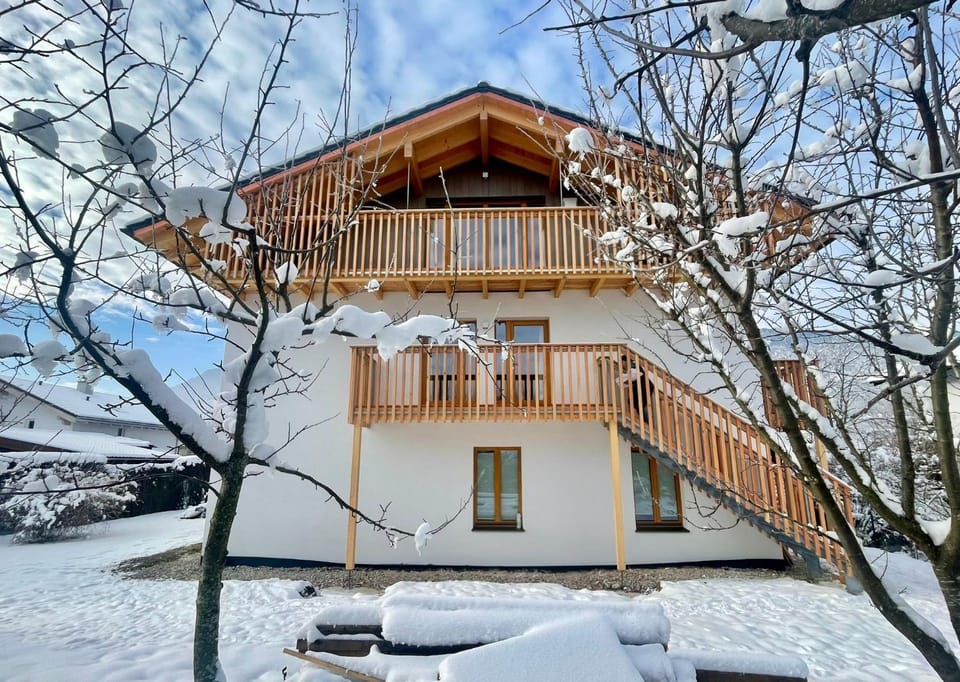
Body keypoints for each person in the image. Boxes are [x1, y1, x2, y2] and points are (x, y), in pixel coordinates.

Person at [621, 354, 651, 423]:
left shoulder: (633, 365)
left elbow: (634, 376)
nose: (622, 365)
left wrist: (625, 381)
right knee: (636, 403)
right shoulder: (632, 366)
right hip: (640, 387)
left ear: (625, 361)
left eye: (622, 362)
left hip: (643, 388)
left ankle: (647, 422)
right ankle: (644, 421)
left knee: (639, 404)